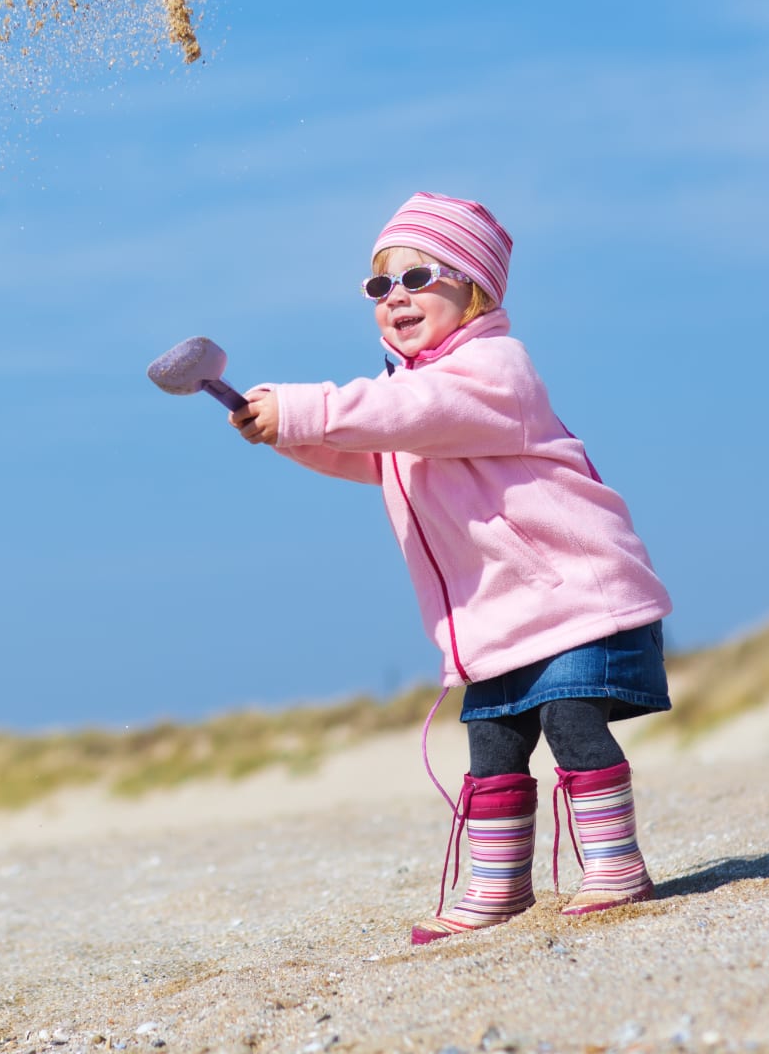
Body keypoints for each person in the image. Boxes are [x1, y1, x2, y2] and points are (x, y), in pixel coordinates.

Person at [229, 192, 672, 944]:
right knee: (493, 747)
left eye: (418, 277)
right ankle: (499, 887)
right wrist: (284, 432)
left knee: (571, 724)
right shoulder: (413, 396)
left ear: (476, 290)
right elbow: (374, 447)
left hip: (571, 599)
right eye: (379, 287)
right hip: (498, 617)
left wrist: (304, 408)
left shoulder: (495, 369)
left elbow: (413, 415)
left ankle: (615, 865)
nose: (395, 297)